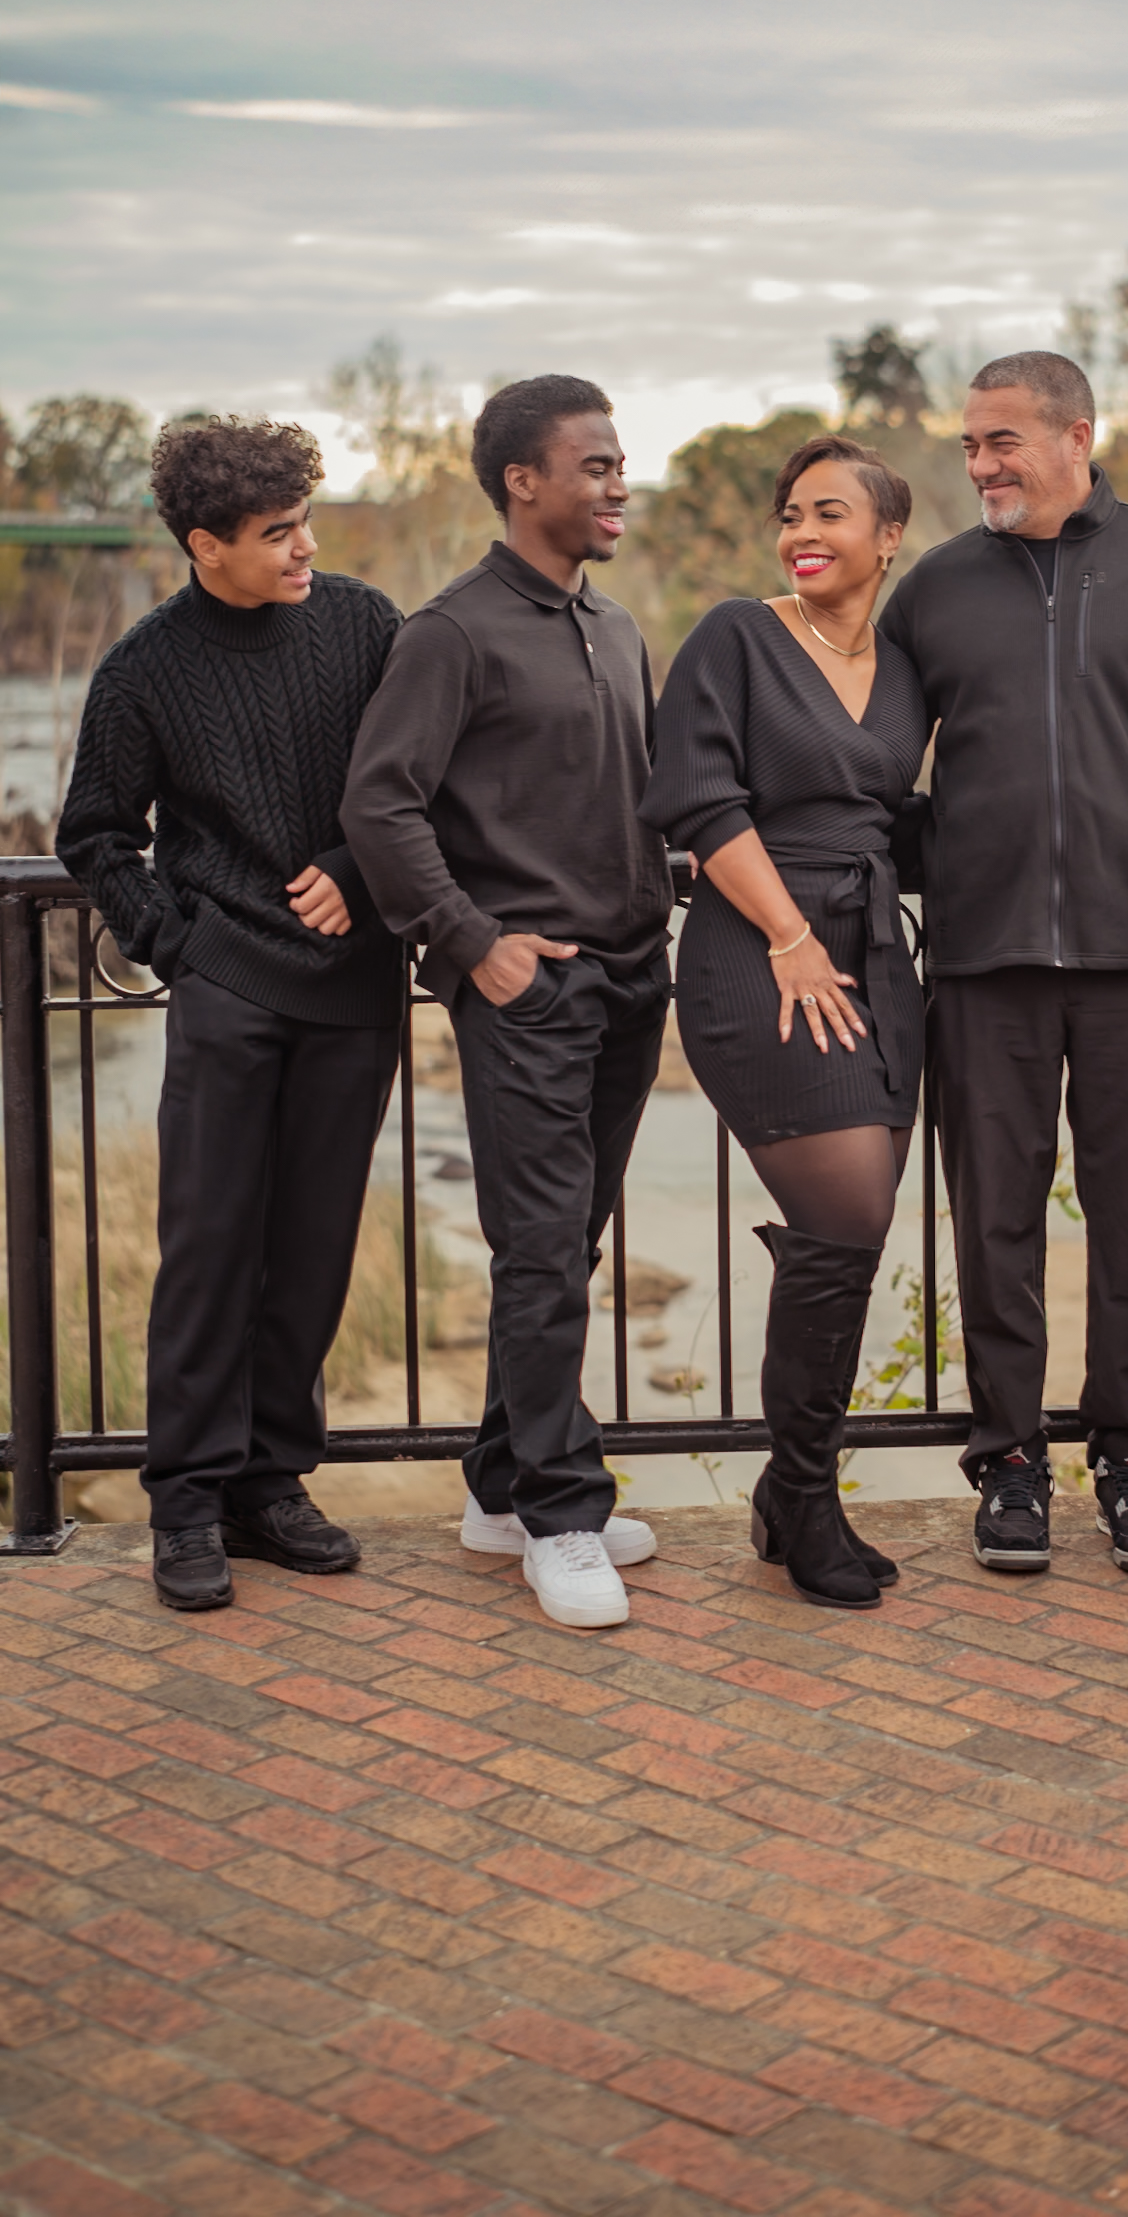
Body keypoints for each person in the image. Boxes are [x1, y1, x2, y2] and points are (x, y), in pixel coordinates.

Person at [879, 352, 1128, 1577]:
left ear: (1076, 435)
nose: (979, 464)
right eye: (969, 444)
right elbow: (872, 763)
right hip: (981, 961)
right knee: (994, 1224)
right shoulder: (933, 590)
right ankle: (1010, 1463)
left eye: (1001, 441)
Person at [341, 375, 672, 1631]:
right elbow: (380, 803)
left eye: (619, 463)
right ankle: (561, 1514)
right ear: (522, 481)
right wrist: (474, 944)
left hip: (631, 981)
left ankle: (501, 1486)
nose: (618, 484)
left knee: (565, 1247)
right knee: (539, 1251)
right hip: (530, 993)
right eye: (594, 465)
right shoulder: (452, 631)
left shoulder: (616, 625)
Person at [57, 419, 404, 1614]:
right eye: (277, 533)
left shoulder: (364, 626)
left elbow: (420, 781)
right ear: (205, 544)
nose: (305, 547)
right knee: (209, 1251)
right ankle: (187, 1502)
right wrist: (181, 947)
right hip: (228, 993)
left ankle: (269, 1484)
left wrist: (355, 871)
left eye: (306, 522)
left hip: (353, 989)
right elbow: (96, 835)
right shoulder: (143, 669)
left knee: (312, 1250)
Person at [639, 435, 926, 1610]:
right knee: (846, 1211)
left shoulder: (905, 667)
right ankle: (802, 1496)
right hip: (759, 951)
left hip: (871, 957)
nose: (801, 533)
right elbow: (698, 800)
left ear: (887, 536)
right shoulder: (736, 637)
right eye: (790, 514)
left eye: (828, 513)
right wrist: (790, 936)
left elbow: (895, 814)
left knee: (851, 1232)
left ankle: (790, 1491)